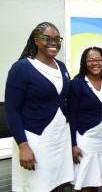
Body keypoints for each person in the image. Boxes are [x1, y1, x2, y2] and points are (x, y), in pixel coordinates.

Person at [5, 22, 73, 192]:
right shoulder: (21, 68)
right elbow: (12, 109)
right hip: (36, 138)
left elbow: (63, 99)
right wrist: (23, 145)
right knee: (38, 186)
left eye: (57, 39)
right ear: (36, 40)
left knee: (55, 183)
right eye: (47, 39)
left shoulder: (61, 66)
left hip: (59, 136)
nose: (54, 43)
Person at [68, 47, 102, 192]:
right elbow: (71, 115)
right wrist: (73, 144)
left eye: (98, 59)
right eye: (90, 60)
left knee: (95, 179)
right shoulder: (77, 83)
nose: (95, 63)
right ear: (84, 63)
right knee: (85, 182)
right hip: (84, 139)